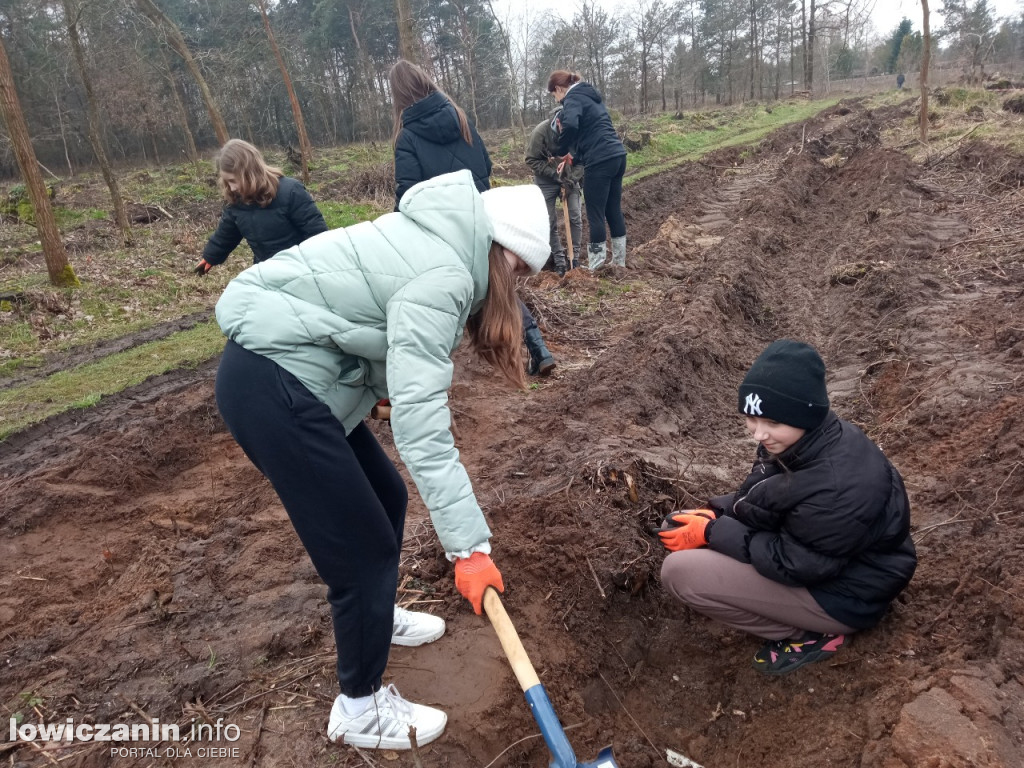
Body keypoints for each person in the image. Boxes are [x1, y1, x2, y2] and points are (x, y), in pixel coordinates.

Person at [214, 170, 551, 749]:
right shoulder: (445, 276)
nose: (516, 286)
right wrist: (468, 548)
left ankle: (379, 613)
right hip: (274, 385)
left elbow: (370, 322)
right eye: (520, 270)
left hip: (293, 373)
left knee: (386, 498)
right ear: (500, 252)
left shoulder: (440, 242)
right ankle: (360, 708)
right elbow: (423, 431)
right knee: (362, 547)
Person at [659, 340, 917, 676]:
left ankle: (812, 634)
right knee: (693, 535)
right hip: (838, 566)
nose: (758, 434)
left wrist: (712, 531)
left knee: (680, 573)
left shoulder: (836, 485)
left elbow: (794, 564)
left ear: (804, 414)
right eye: (751, 419)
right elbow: (765, 498)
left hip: (846, 596)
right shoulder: (804, 440)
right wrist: (718, 513)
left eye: (771, 422)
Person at [390, 58, 556, 377]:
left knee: (447, 294)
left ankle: (438, 366)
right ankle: (538, 348)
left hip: (445, 227)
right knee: (499, 285)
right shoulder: (460, 117)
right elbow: (487, 163)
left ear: (399, 97)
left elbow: (406, 197)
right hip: (482, 212)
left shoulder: (407, 137)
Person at [193, 139, 327, 275]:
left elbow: (316, 233)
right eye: (227, 182)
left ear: (249, 173)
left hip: (300, 268)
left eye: (233, 181)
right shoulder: (236, 201)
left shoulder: (291, 191)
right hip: (265, 270)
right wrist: (210, 256)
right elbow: (226, 234)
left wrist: (318, 266)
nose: (232, 187)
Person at [547, 70, 627, 270]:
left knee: (595, 214)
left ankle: (597, 267)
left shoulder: (572, 98)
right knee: (613, 210)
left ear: (558, 89)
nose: (557, 101)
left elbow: (572, 126)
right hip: (617, 155)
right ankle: (619, 263)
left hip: (600, 161)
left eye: (554, 96)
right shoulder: (590, 96)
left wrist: (561, 149)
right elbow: (591, 131)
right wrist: (573, 156)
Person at [526, 107, 583, 276]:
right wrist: (554, 174)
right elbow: (531, 159)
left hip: (570, 178)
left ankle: (575, 259)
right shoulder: (541, 133)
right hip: (546, 181)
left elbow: (582, 160)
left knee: (575, 216)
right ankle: (559, 261)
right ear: (558, 122)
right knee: (549, 222)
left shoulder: (578, 132)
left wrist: (572, 178)